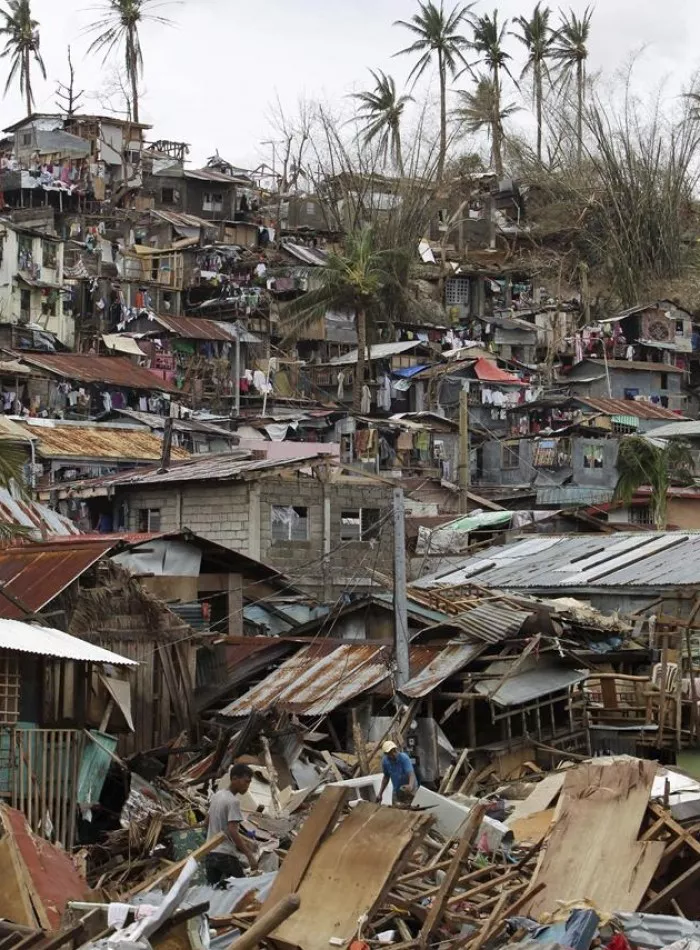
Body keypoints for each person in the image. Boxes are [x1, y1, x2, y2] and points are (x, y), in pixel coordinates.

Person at [204, 763, 258, 886]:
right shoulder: (233, 802)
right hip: (225, 855)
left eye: (249, 783)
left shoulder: (217, 795)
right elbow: (233, 830)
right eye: (246, 782)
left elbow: (206, 822)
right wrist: (249, 855)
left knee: (213, 892)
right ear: (234, 779)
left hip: (210, 854)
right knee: (242, 887)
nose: (247, 786)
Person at [378, 740, 418, 805]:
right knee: (396, 810)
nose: (394, 754)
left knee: (412, 808)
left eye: (394, 751)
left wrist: (410, 786)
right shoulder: (385, 762)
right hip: (397, 789)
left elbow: (411, 774)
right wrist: (380, 793)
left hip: (410, 788)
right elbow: (386, 777)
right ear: (386, 754)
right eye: (390, 753)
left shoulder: (404, 758)